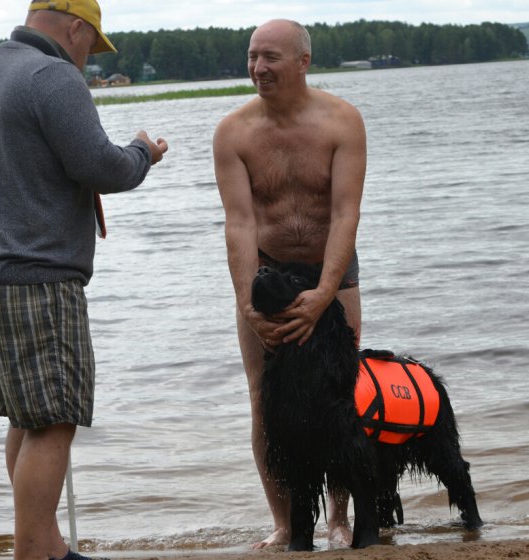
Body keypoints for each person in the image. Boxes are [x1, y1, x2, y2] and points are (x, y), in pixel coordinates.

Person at [0, 1, 167, 559]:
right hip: (36, 280)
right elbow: (100, 167)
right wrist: (143, 152)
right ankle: (35, 551)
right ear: (75, 28)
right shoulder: (54, 75)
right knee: (54, 420)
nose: (88, 57)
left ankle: (48, 547)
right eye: (92, 44)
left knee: (26, 417)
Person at [212, 19, 367, 549]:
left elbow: (346, 213)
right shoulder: (234, 131)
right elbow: (239, 222)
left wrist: (326, 292)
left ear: (303, 61)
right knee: (264, 398)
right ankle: (283, 522)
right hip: (267, 274)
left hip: (333, 268)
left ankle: (339, 519)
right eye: (253, 56)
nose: (258, 68)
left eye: (271, 57)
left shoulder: (341, 120)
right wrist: (247, 303)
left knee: (338, 395)